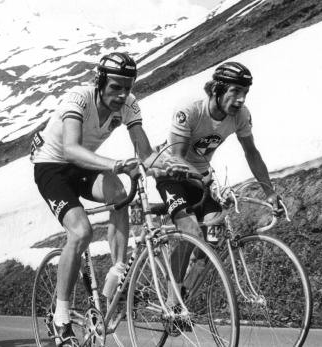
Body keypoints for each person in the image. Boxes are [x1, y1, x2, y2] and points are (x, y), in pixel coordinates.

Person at [30, 52, 186, 347]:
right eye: (115, 87)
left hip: (83, 167)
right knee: (81, 232)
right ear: (100, 82)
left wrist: (165, 166)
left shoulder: (129, 105)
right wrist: (114, 164)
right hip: (52, 166)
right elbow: (72, 149)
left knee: (118, 192)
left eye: (127, 87)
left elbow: (146, 154)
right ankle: (60, 316)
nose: (122, 94)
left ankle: (117, 270)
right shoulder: (79, 98)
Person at [156, 61, 281, 308]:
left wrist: (270, 192)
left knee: (213, 237)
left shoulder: (240, 116)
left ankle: (184, 295)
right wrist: (206, 182)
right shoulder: (191, 109)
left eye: (245, 93)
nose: (240, 99)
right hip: (171, 173)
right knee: (191, 232)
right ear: (216, 89)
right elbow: (178, 157)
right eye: (235, 91)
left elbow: (251, 153)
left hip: (202, 176)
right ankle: (171, 304)